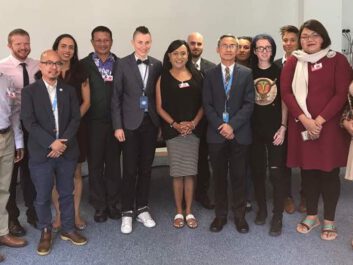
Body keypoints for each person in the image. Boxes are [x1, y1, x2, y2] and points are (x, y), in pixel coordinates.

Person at [281, 19, 352, 241]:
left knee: (329, 174)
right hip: (302, 126)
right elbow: (286, 93)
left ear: (323, 37)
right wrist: (306, 120)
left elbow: (341, 94)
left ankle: (329, 219)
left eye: (314, 35)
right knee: (308, 172)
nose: (309, 39)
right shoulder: (294, 61)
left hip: (329, 128)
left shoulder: (337, 60)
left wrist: (318, 121)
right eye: (305, 36)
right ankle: (312, 215)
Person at [21, 50, 87, 255]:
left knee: (67, 193)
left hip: (66, 152)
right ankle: (46, 230)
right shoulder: (30, 92)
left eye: (57, 63)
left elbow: (75, 119)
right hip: (42, 153)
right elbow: (29, 122)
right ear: (40, 66)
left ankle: (68, 228)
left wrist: (62, 143)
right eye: (48, 63)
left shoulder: (68, 91)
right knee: (42, 196)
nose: (53, 67)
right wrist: (52, 144)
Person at [111, 26, 162, 234]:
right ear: (133, 43)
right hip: (129, 125)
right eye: (140, 42)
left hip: (150, 124)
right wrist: (117, 126)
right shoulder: (122, 64)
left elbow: (159, 96)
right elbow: (116, 97)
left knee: (146, 168)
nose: (144, 46)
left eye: (147, 42)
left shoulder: (157, 65)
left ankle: (142, 208)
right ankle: (126, 212)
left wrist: (160, 125)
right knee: (130, 169)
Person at [203, 34, 254, 233]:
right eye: (224, 45)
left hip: (239, 134)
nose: (229, 49)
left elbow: (249, 104)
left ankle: (240, 217)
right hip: (216, 135)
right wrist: (221, 126)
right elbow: (207, 105)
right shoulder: (209, 74)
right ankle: (220, 216)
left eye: (233, 46)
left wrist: (232, 126)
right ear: (218, 49)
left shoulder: (246, 73)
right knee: (219, 177)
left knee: (239, 176)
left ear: (237, 49)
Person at [156, 40, 203, 229]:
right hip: (173, 131)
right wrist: (175, 125)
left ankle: (189, 210)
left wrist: (193, 123)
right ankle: (178, 211)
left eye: (183, 53)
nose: (179, 57)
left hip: (193, 130)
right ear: (169, 56)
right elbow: (159, 107)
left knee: (190, 172)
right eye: (175, 53)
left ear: (188, 55)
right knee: (177, 172)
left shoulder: (197, 76)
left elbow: (203, 105)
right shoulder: (162, 78)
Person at [81, 26, 122, 223]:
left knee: (114, 165)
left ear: (112, 41)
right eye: (98, 40)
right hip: (93, 124)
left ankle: (113, 203)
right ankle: (99, 205)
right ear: (92, 42)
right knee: (95, 165)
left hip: (115, 124)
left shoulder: (121, 64)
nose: (103, 44)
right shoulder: (83, 65)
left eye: (106, 40)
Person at [0, 28, 38, 236]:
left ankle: (33, 212)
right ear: (9, 46)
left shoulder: (37, 66)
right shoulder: (2, 70)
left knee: (32, 172)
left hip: (32, 126)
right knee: (9, 177)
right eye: (18, 44)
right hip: (11, 126)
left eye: (27, 43)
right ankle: (12, 219)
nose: (24, 47)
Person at [51, 34, 90, 231]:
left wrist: (71, 124)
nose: (67, 50)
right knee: (56, 174)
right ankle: (59, 215)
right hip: (53, 132)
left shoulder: (80, 73)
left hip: (76, 131)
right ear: (56, 48)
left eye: (71, 47)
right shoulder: (48, 72)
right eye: (63, 46)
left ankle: (75, 214)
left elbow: (87, 102)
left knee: (75, 172)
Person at [250, 34, 287, 236]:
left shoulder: (279, 71)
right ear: (254, 51)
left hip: (275, 131)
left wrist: (283, 127)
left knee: (275, 174)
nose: (264, 51)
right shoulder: (248, 72)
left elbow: (285, 101)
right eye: (260, 48)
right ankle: (262, 209)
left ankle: (277, 216)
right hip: (254, 131)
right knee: (257, 172)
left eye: (267, 48)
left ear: (272, 50)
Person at [274, 25, 306, 215]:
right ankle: (286, 195)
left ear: (299, 41)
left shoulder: (306, 62)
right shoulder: (276, 65)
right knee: (283, 158)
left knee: (305, 159)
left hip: (302, 118)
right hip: (282, 119)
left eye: (292, 40)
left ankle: (305, 195)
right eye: (285, 40)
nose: (288, 43)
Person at [0, 73, 28, 263]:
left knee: (4, 190)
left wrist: (18, 142)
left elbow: (15, 112)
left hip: (7, 136)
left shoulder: (7, 80)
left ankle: (2, 232)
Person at [187, 32, 216, 209]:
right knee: (187, 159)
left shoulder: (211, 68)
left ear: (203, 46)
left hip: (206, 121)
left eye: (198, 44)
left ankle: (202, 193)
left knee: (203, 159)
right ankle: (186, 192)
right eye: (192, 43)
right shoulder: (178, 65)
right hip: (184, 121)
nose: (195, 47)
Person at [236, 36, 253, 212]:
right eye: (239, 46)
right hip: (230, 124)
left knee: (247, 163)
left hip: (250, 123)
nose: (242, 50)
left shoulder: (255, 70)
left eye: (246, 47)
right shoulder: (226, 69)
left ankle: (247, 197)